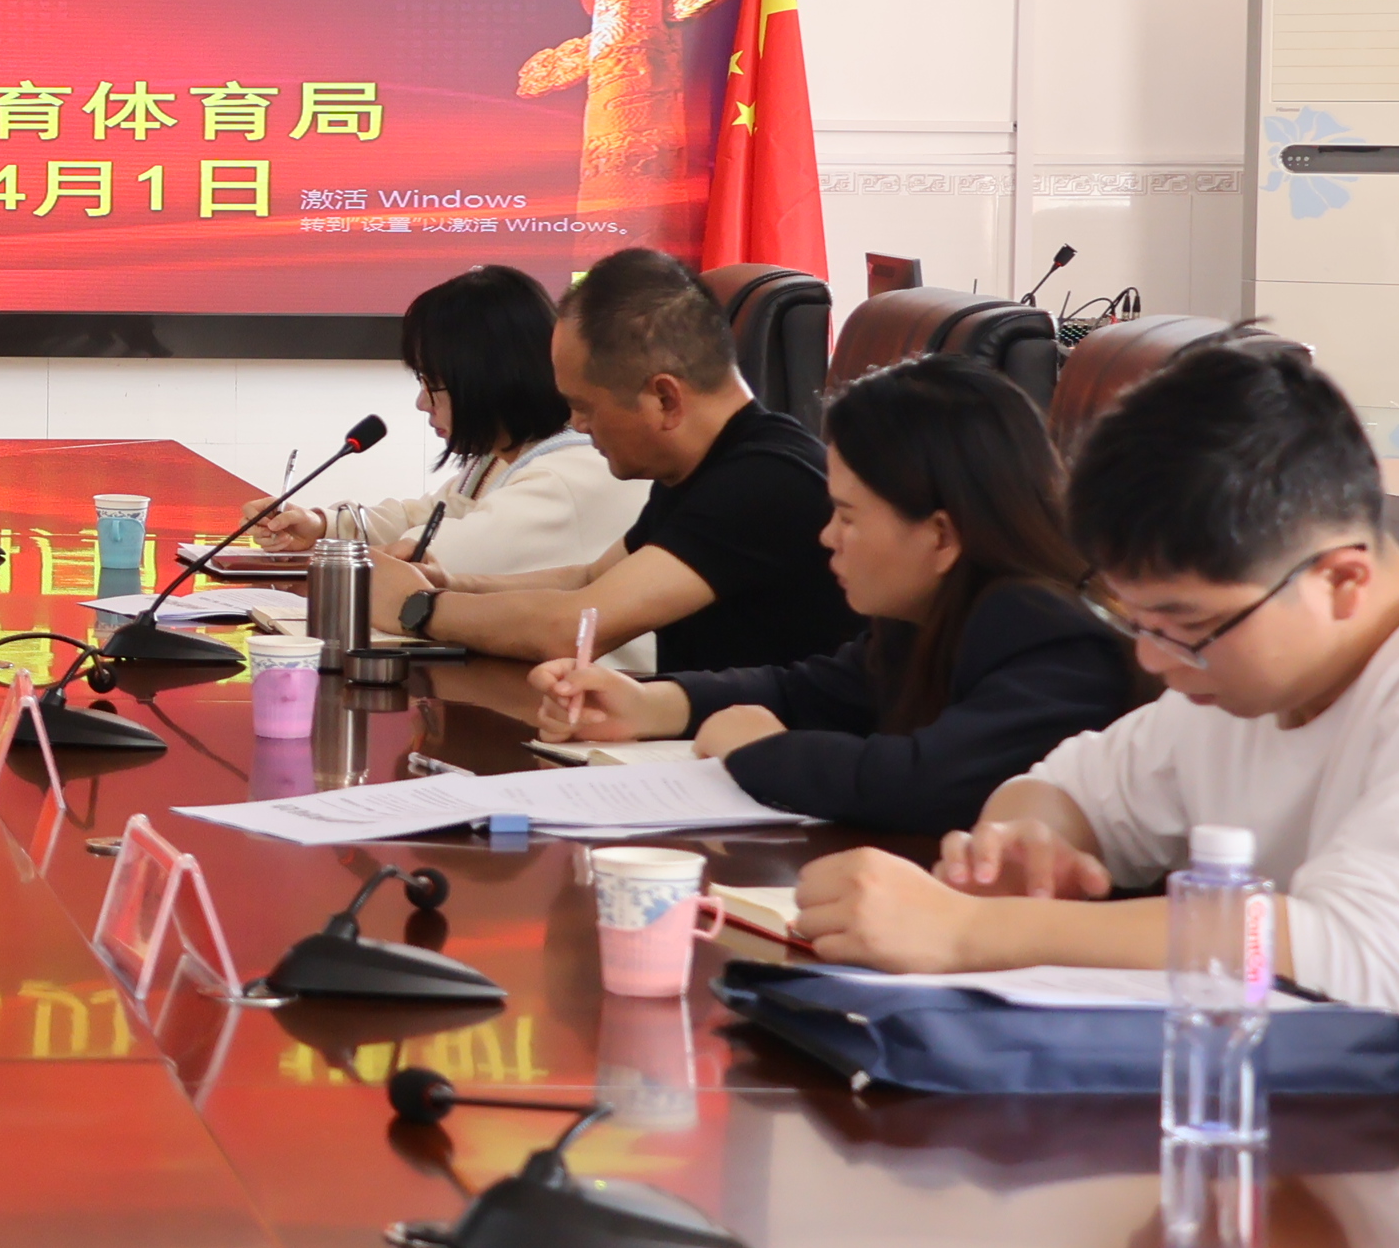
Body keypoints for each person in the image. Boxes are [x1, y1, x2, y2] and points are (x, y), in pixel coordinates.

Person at [793, 339, 1399, 1046]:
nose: (1153, 660)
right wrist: (1023, 844)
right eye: (1137, 622)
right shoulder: (1243, 678)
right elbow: (1072, 787)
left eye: (1184, 625)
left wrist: (977, 929)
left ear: (1342, 581)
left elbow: (1362, 954)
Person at [527, 354, 1140, 830]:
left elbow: (924, 783)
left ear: (941, 535)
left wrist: (758, 750)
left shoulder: (1052, 636)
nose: (827, 536)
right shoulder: (931, 611)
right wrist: (648, 706)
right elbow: (806, 691)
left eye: (848, 516)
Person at [370, 245, 855, 673]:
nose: (576, 425)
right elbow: (588, 578)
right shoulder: (700, 467)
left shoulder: (762, 483)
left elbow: (574, 628)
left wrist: (418, 606)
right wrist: (452, 583)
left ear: (664, 398)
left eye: (584, 406)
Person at [255, 265, 643, 576]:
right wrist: (321, 525)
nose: (422, 403)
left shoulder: (564, 475)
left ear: (487, 378)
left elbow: (428, 560)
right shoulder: (503, 458)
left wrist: (340, 552)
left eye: (433, 383)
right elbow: (427, 516)